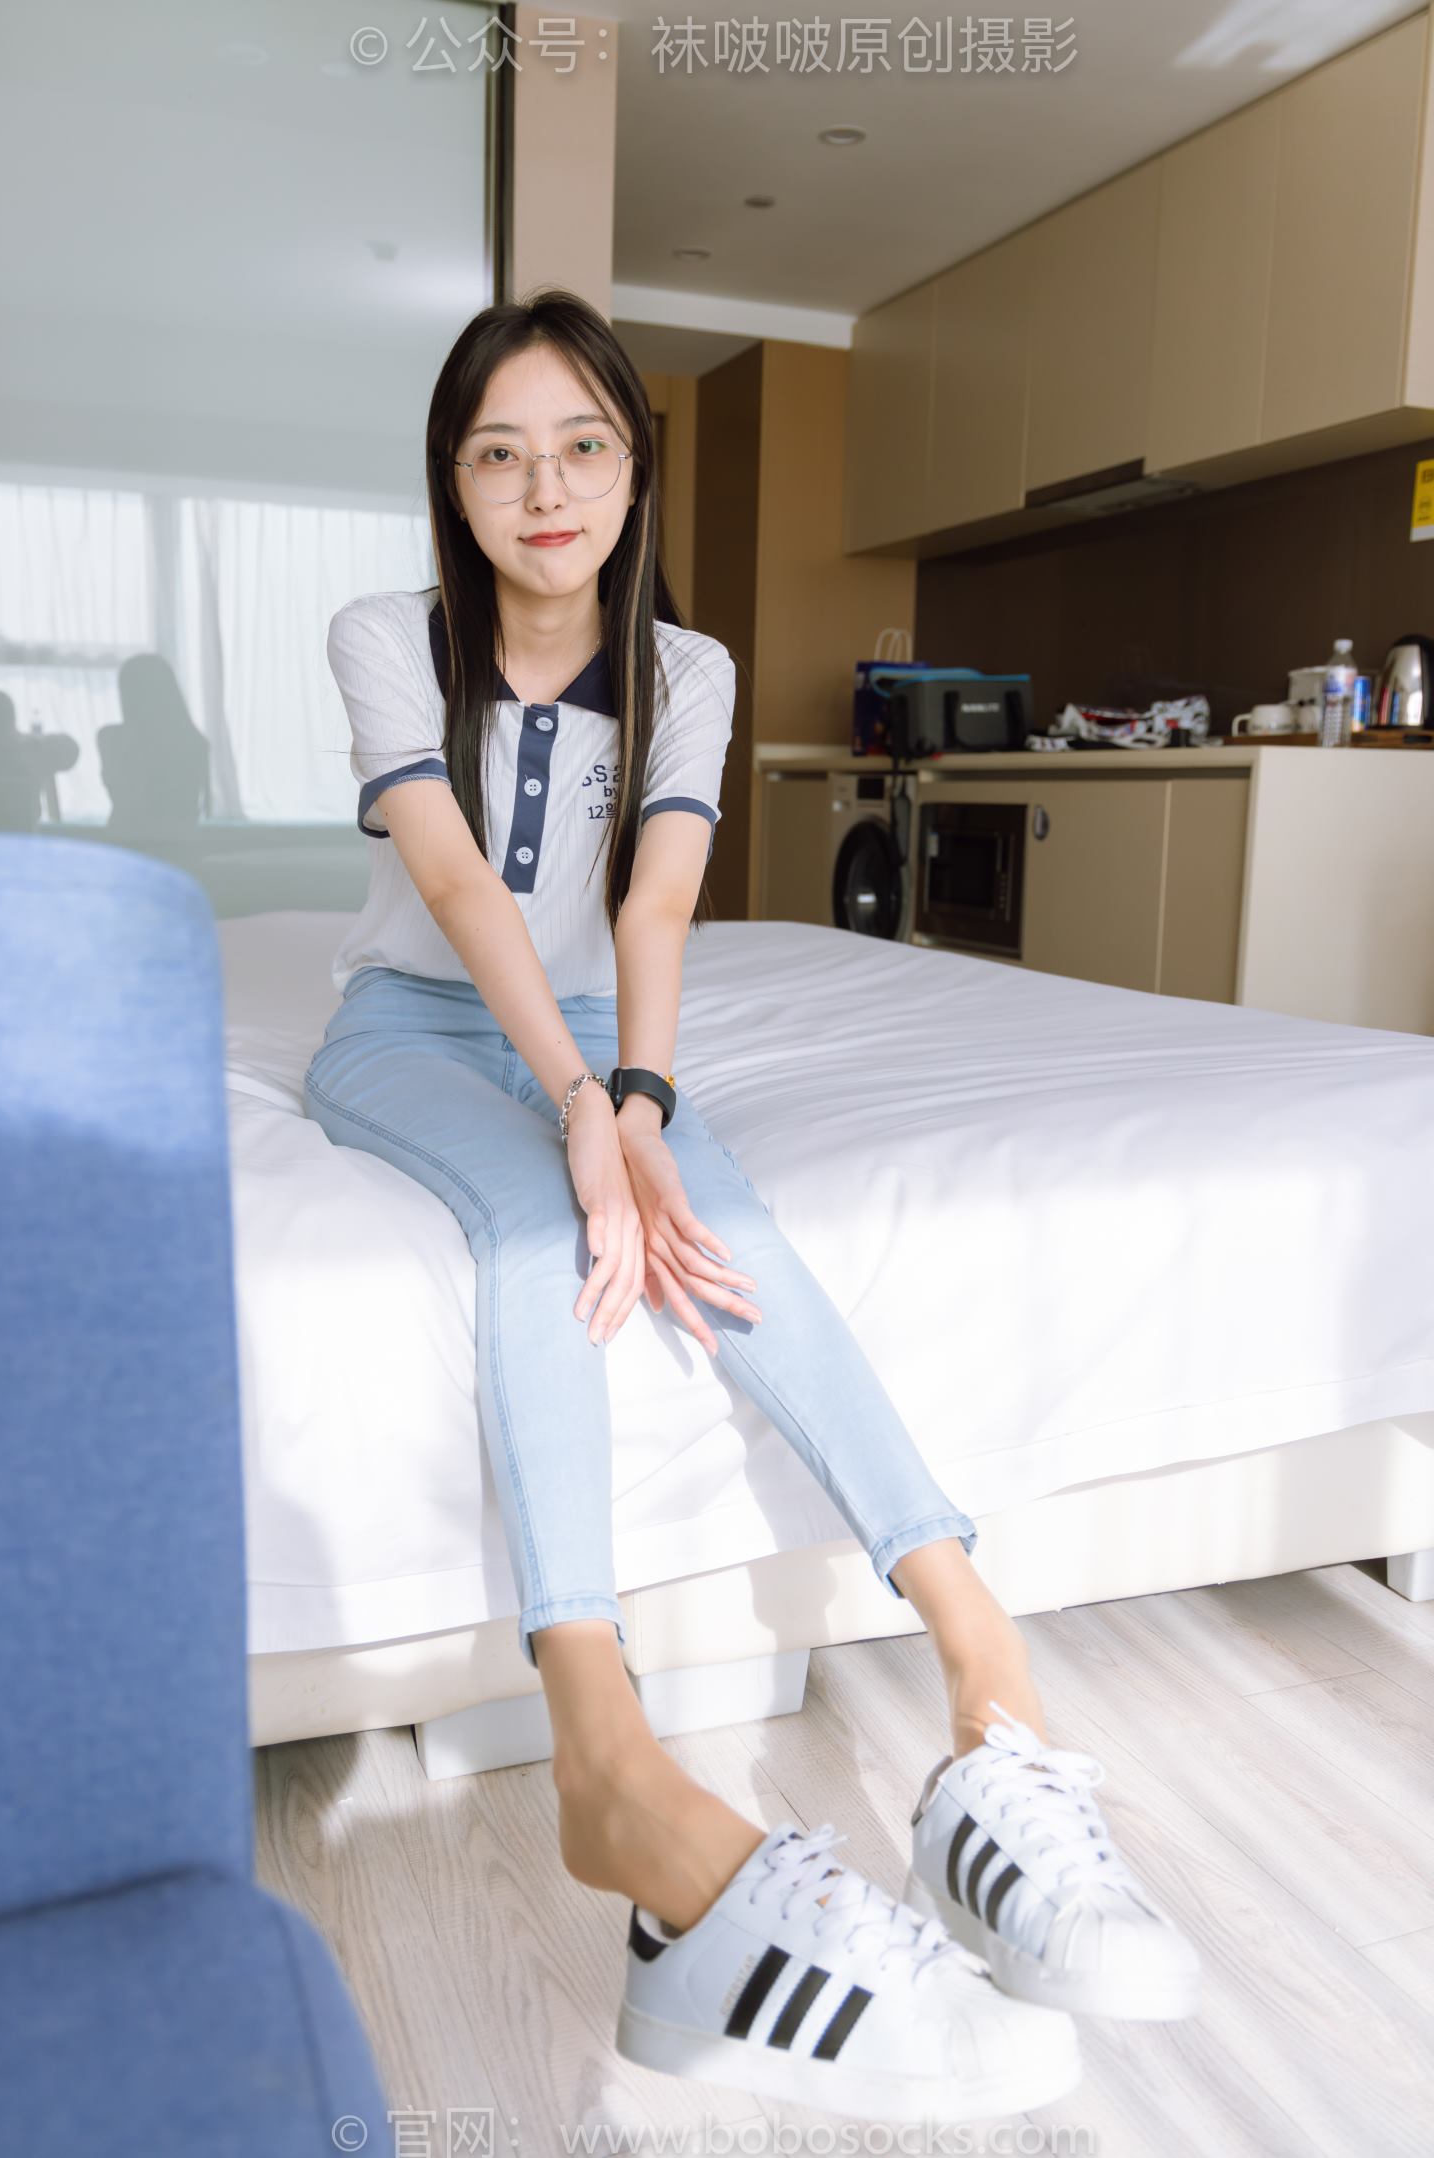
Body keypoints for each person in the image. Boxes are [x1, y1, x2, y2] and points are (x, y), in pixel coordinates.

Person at [303, 289, 1200, 2124]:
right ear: (451, 482)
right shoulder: (385, 636)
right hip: (408, 1027)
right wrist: (574, 1117)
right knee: (546, 1238)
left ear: (634, 466)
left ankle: (989, 1678)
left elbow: (652, 906)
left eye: (583, 446)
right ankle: (607, 1761)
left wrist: (637, 1102)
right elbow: (460, 887)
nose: (545, 489)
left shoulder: (686, 672)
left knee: (731, 1237)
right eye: (499, 452)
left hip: (594, 1044)